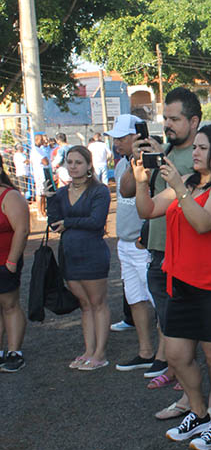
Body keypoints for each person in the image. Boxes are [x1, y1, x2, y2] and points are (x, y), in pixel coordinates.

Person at [134, 123, 211, 450]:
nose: (194, 152)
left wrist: (180, 189)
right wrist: (141, 182)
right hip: (180, 282)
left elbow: (204, 223)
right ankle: (197, 412)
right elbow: (148, 210)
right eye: (194, 147)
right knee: (177, 356)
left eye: (202, 147)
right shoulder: (189, 182)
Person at [120, 87, 201, 392]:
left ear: (193, 121)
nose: (167, 124)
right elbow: (127, 190)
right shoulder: (163, 151)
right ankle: (176, 370)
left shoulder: (200, 154)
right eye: (165, 118)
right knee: (167, 319)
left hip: (186, 252)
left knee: (188, 324)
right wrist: (137, 159)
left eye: (174, 119)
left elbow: (193, 193)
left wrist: (162, 159)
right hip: (156, 250)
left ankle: (191, 385)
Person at [47, 145, 112, 371]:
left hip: (92, 254)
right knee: (85, 305)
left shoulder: (99, 191)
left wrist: (69, 223)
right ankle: (88, 350)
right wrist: (50, 199)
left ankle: (100, 353)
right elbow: (54, 224)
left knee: (97, 303)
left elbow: (96, 221)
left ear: (89, 165)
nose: (73, 167)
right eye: (70, 162)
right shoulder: (61, 193)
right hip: (69, 255)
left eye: (78, 162)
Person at [104, 115, 156, 373]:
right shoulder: (122, 163)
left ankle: (168, 357)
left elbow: (130, 190)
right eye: (114, 138)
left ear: (137, 136)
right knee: (135, 298)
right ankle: (146, 351)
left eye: (121, 138)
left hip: (143, 243)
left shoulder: (150, 161)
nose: (116, 143)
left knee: (157, 299)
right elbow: (124, 191)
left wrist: (137, 159)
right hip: (125, 241)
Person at [0, 155, 30, 373]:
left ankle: (14, 351)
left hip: (5, 260)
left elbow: (22, 229)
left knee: (9, 305)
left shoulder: (9, 196)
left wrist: (11, 261)